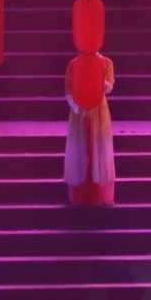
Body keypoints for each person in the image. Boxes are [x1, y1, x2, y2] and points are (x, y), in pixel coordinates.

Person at [64, 53, 117, 205]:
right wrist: (76, 108)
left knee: (99, 150)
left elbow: (109, 88)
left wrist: (97, 76)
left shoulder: (106, 62)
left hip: (99, 110)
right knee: (80, 149)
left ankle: (98, 194)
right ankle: (81, 194)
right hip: (79, 110)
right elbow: (68, 90)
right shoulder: (74, 63)